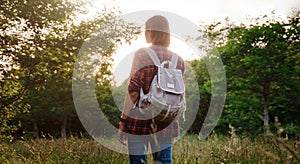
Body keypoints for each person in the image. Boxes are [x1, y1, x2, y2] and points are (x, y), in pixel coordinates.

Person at [118, 15, 185, 164]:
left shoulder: (142, 54)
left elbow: (133, 92)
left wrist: (123, 121)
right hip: (166, 123)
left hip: (138, 121)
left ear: (150, 31)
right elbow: (177, 95)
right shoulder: (178, 60)